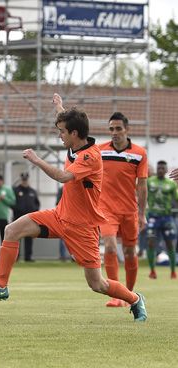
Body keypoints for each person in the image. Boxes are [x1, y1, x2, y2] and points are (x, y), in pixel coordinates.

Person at [0, 103, 147, 322]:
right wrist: (59, 107)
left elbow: (64, 177)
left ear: (74, 133)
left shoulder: (90, 157)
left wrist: (36, 160)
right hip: (59, 216)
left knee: (97, 284)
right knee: (11, 230)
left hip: (82, 228)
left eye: (61, 132)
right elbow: (68, 122)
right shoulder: (75, 143)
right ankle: (0, 286)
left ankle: (135, 299)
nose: (59, 136)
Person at [55, 95, 148, 308]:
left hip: (129, 211)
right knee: (111, 247)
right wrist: (60, 108)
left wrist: (142, 213)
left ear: (127, 129)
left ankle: (129, 294)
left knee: (130, 252)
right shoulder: (99, 151)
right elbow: (73, 133)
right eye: (111, 129)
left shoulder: (139, 154)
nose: (114, 133)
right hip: (104, 209)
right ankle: (116, 296)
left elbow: (141, 187)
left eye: (118, 129)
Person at [146, 160, 178, 279]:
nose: (160, 170)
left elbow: (176, 199)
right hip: (153, 217)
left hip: (167, 217)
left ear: (166, 170)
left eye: (162, 168)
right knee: (150, 242)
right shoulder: (150, 181)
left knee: (170, 244)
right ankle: (152, 270)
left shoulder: (171, 184)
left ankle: (173, 271)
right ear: (156, 169)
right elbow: (142, 193)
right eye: (158, 168)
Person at [12, 172, 40, 262]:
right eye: (23, 179)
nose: (24, 181)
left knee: (29, 238)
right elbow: (12, 203)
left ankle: (28, 257)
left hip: (30, 219)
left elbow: (37, 204)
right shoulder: (15, 190)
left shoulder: (32, 191)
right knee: (17, 238)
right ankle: (16, 257)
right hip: (18, 218)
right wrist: (17, 209)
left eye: (26, 179)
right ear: (21, 179)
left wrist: (34, 213)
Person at [55, 186, 69, 262]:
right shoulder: (62, 189)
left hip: (74, 219)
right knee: (63, 239)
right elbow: (57, 202)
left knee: (75, 240)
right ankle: (62, 257)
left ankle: (74, 258)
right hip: (63, 218)